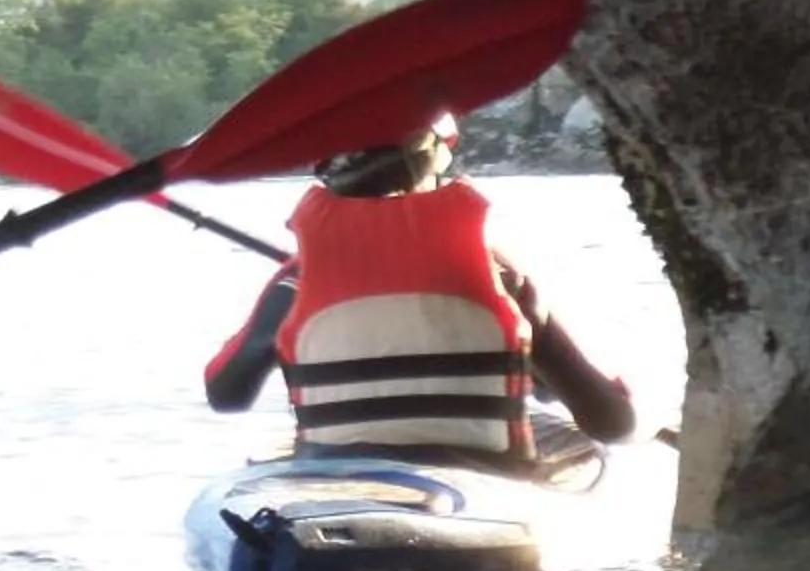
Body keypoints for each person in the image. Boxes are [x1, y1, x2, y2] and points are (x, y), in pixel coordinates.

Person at [199, 114, 635, 467]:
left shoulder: (293, 284)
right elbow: (612, 424)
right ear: (436, 164)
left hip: (334, 475)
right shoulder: (501, 277)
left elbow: (226, 395)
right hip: (487, 481)